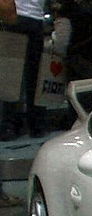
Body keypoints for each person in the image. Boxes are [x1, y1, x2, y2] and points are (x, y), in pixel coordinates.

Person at [0, 0, 46, 140]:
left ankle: (9, 125)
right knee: (35, 76)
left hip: (14, 17)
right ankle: (36, 125)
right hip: (37, 19)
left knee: (12, 75)